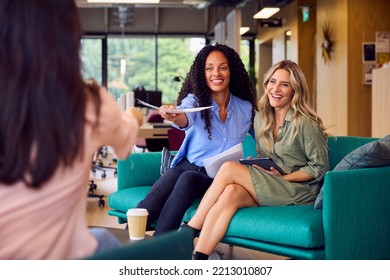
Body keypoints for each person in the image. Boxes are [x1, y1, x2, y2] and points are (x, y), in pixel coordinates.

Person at [0, 0, 143, 260]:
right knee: (109, 243)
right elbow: (125, 145)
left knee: (103, 238)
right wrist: (133, 117)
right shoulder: (89, 104)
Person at [183, 60, 329, 260]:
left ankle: (189, 229)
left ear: (295, 90)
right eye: (272, 82)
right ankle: (198, 257)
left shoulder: (305, 123)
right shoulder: (261, 118)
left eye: (284, 84)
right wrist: (258, 162)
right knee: (231, 192)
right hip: (272, 183)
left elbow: (319, 168)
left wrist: (285, 179)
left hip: (299, 191)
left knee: (228, 169)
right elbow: (267, 155)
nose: (275, 89)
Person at [136, 43, 257, 236]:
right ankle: (125, 245)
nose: (215, 73)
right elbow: (184, 117)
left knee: (187, 179)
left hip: (217, 178)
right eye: (209, 68)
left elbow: (265, 139)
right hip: (187, 165)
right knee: (159, 192)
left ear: (231, 71)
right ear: (202, 73)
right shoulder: (195, 101)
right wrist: (174, 115)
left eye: (222, 67)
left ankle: (159, 249)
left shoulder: (246, 109)